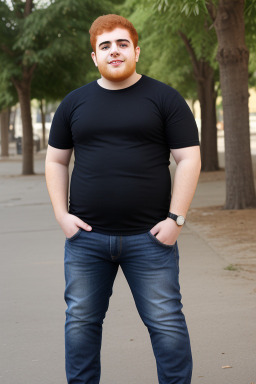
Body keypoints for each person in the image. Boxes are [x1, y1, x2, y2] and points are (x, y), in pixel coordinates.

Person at [45, 14, 201, 384]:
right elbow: (55, 160)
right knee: (81, 325)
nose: (114, 51)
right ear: (94, 57)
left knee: (166, 324)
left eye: (121, 43)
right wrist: (61, 216)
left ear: (136, 50)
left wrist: (176, 219)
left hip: (151, 239)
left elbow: (189, 158)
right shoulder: (74, 103)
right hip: (86, 240)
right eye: (105, 46)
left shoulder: (165, 98)